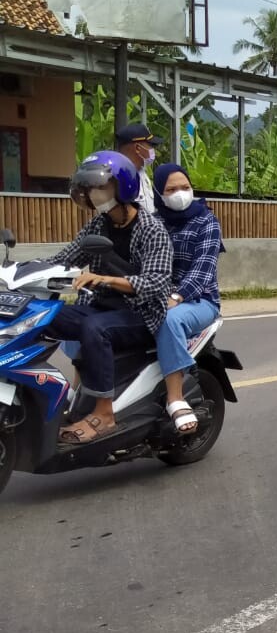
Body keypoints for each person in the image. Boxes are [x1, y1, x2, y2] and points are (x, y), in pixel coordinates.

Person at [48, 152, 173, 444]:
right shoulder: (97, 225)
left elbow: (156, 283)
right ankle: (41, 392)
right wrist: (18, 272)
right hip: (101, 308)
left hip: (141, 314)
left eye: (100, 187)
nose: (93, 194)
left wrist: (106, 279)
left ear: (124, 187)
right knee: (44, 314)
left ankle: (104, 412)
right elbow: (62, 261)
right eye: (90, 188)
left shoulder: (152, 230)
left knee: (96, 329)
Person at [151, 163, 224, 433]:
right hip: (156, 297)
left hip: (199, 300)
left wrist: (177, 296)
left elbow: (202, 270)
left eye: (184, 187)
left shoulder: (206, 221)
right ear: (159, 193)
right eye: (171, 189)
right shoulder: (152, 222)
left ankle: (175, 397)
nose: (180, 193)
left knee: (169, 321)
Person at [114, 123, 163, 216]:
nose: (153, 150)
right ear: (137, 148)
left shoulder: (142, 173)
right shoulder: (117, 178)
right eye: (150, 145)